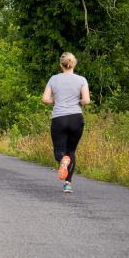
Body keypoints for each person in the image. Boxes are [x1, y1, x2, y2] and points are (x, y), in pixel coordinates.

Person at [42, 52, 91, 193]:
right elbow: (86, 100)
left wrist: (55, 100)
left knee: (59, 151)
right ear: (74, 64)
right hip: (76, 117)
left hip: (59, 118)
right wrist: (79, 102)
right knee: (71, 151)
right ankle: (68, 184)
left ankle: (62, 160)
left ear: (61, 65)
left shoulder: (53, 79)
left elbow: (45, 99)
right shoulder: (81, 79)